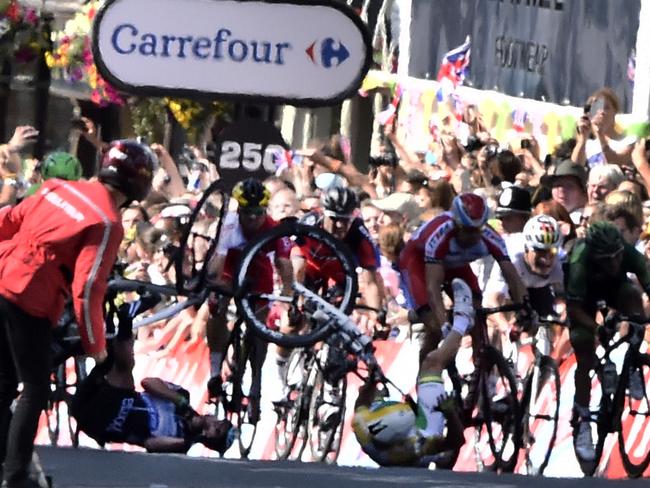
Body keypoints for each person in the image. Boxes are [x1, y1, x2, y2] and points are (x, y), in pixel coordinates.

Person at [0, 139, 156, 488]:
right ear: (138, 185)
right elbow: (87, 289)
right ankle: (14, 476)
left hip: (2, 277)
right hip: (30, 298)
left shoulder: (56, 188)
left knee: (4, 383)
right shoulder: (107, 221)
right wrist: (96, 345)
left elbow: (8, 220)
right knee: (35, 389)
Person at [351, 278, 472, 467]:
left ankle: (434, 325)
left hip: (402, 432)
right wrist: (449, 414)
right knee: (431, 364)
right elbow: (457, 442)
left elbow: (362, 400)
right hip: (426, 439)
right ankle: (463, 320)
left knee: (427, 347)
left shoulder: (362, 426)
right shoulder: (415, 444)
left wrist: (372, 381)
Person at [398, 192, 529, 362]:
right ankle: (426, 372)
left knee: (476, 312)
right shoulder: (439, 235)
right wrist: (443, 322)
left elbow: (512, 276)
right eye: (467, 231)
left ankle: (481, 370)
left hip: (455, 263)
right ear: (455, 224)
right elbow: (432, 287)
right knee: (435, 325)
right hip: (418, 262)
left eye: (477, 230)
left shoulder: (491, 237)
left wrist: (525, 308)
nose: (473, 237)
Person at [71, 323, 235, 454]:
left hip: (98, 422)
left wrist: (188, 441)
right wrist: (177, 400)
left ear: (210, 441)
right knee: (124, 368)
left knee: (123, 387)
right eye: (219, 423)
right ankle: (124, 322)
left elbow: (150, 444)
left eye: (217, 431)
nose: (214, 425)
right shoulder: (182, 395)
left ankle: (117, 331)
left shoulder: (180, 442)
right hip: (102, 393)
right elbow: (147, 383)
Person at [206, 178, 293, 414]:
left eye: (258, 213)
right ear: (239, 210)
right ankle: (215, 369)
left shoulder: (273, 227)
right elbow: (217, 263)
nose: (253, 218)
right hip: (229, 270)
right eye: (248, 213)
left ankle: (255, 382)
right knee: (215, 307)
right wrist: (216, 291)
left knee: (259, 326)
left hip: (258, 274)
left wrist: (287, 297)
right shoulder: (229, 225)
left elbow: (284, 265)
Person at [566, 221, 650, 461]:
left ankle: (632, 361)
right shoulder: (580, 260)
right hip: (584, 298)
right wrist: (596, 328)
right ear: (595, 254)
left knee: (633, 295)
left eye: (617, 257)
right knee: (583, 347)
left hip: (614, 288)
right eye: (607, 259)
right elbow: (573, 310)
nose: (614, 263)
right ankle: (582, 421)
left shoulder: (628, 254)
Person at [540, 159, 588, 225]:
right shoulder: (545, 218)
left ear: (584, 192)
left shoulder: (588, 221)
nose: (561, 190)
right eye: (556, 185)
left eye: (569, 186)